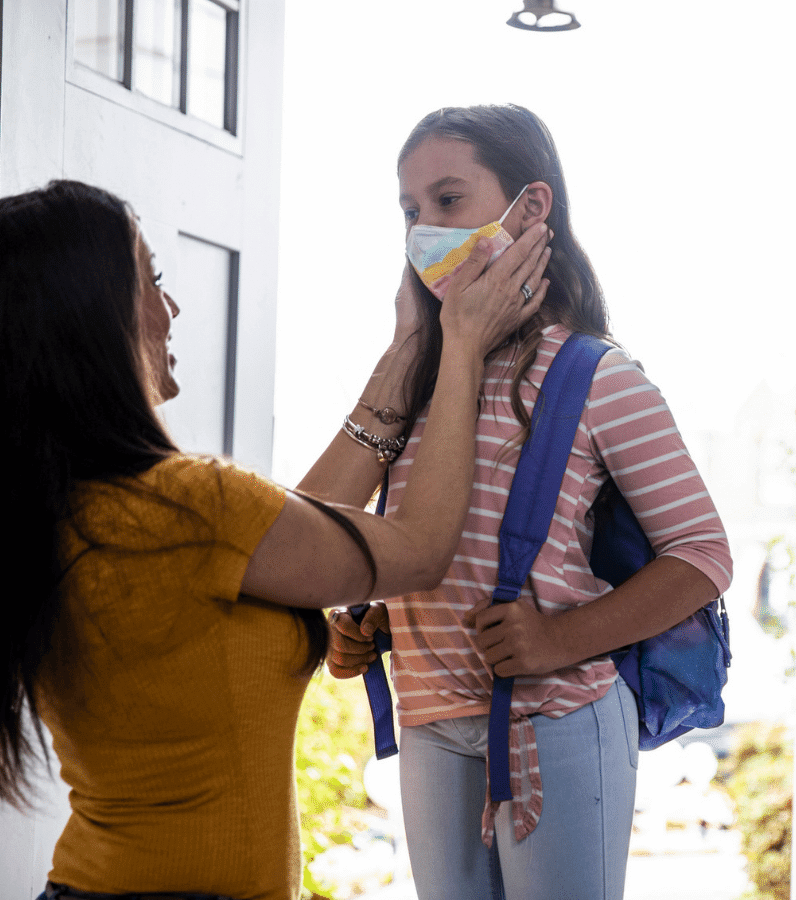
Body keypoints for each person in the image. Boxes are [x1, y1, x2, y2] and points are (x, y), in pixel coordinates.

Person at [0, 179, 549, 900]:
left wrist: (411, 346)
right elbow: (417, 549)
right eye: (151, 280)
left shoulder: (72, 510)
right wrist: (464, 346)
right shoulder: (186, 509)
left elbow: (297, 532)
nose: (172, 307)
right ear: (84, 321)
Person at [312, 105, 734, 900]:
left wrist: (558, 636)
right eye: (409, 211)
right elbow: (417, 540)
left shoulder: (596, 377)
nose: (422, 230)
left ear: (530, 210)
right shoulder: (417, 383)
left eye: (448, 201)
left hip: (558, 718)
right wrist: (378, 618)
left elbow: (704, 555)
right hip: (431, 716)